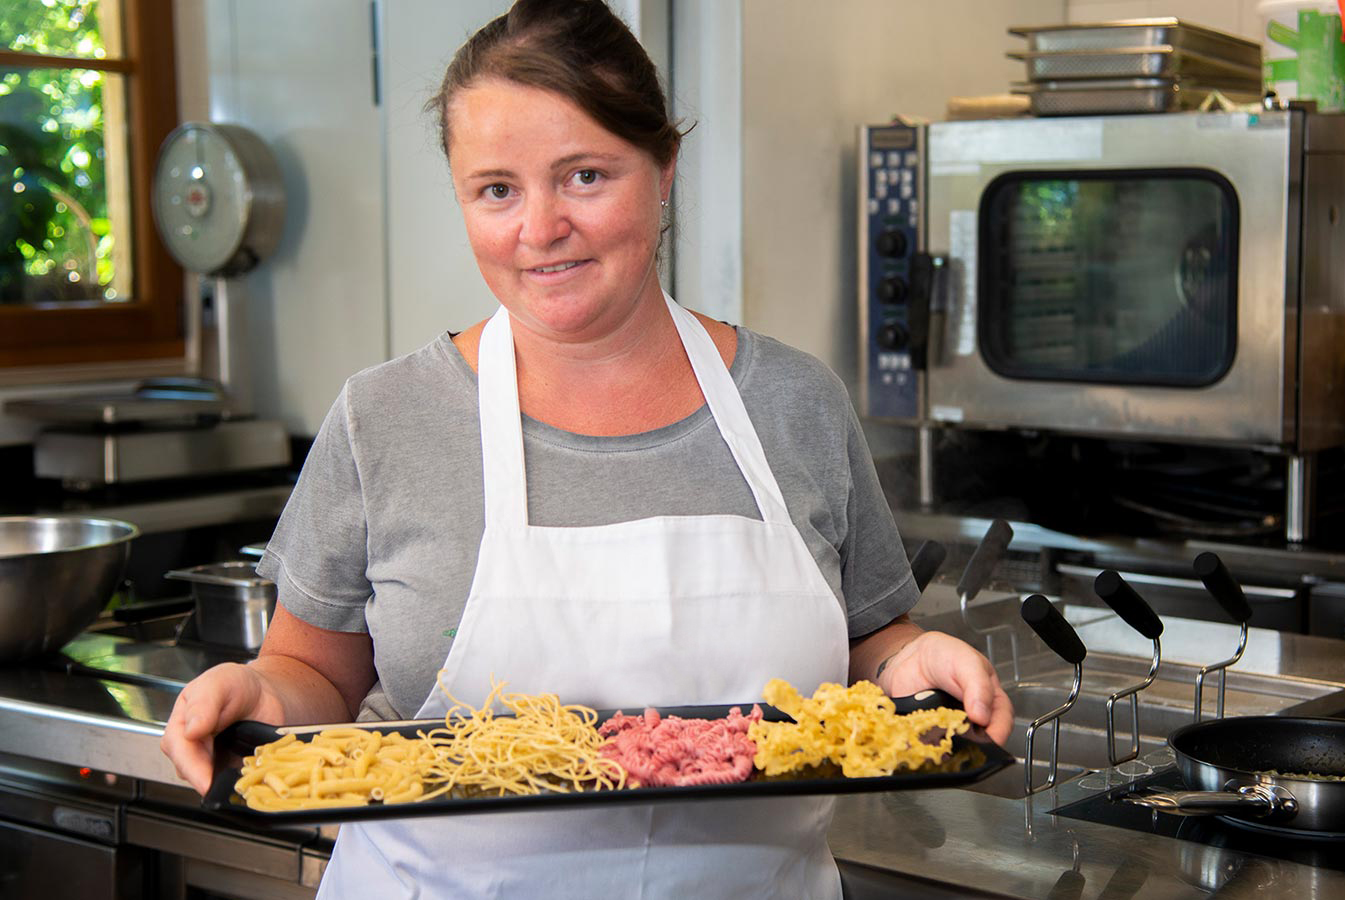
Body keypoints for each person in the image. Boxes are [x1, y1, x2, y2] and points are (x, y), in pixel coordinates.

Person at [160, 0, 1014, 895]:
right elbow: (313, 678)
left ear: (664, 169)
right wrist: (260, 697)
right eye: (497, 189)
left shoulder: (795, 403)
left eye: (584, 176)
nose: (538, 229)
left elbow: (871, 644)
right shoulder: (385, 417)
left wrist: (914, 665)